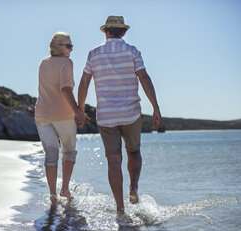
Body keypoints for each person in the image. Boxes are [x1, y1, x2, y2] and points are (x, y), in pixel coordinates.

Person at [76, 16, 162, 214]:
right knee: (134, 151)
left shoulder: (94, 53)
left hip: (106, 116)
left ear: (106, 32)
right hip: (130, 113)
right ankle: (133, 188)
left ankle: (120, 209)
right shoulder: (132, 51)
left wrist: (81, 110)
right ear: (123, 32)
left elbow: (83, 84)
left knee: (113, 161)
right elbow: (144, 78)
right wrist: (156, 107)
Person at [35, 32, 87, 205]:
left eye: (72, 46)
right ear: (58, 47)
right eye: (68, 46)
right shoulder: (67, 62)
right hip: (63, 115)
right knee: (69, 152)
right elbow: (66, 89)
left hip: (42, 115)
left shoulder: (43, 63)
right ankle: (64, 188)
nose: (71, 49)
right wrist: (78, 112)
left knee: (51, 154)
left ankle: (52, 195)